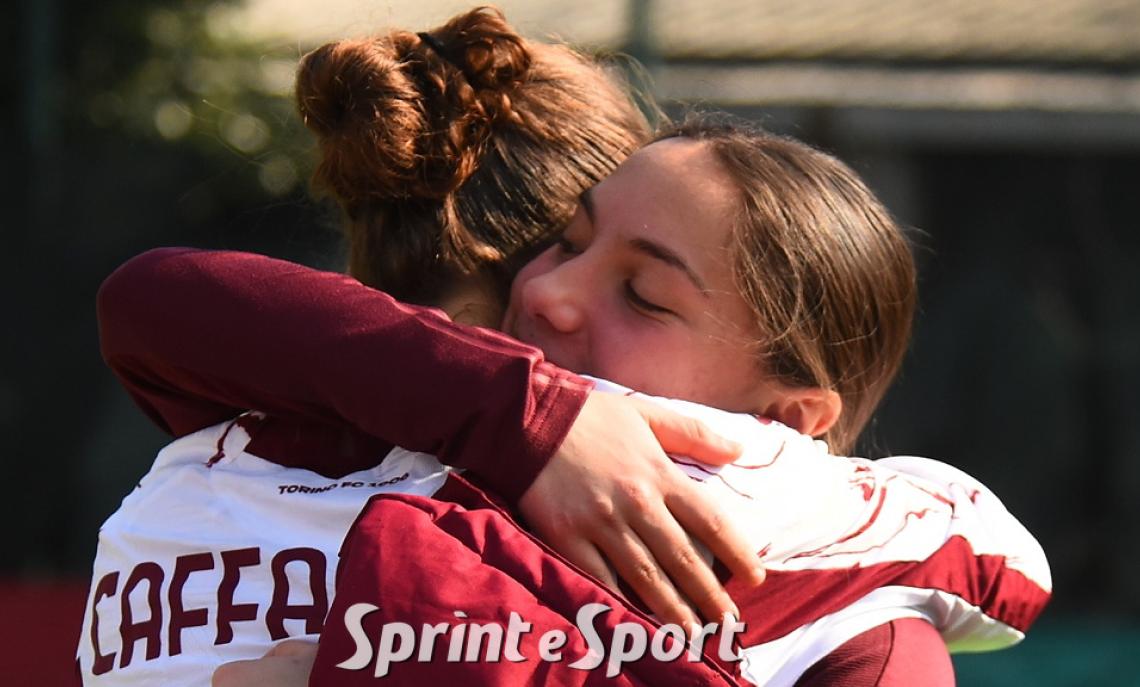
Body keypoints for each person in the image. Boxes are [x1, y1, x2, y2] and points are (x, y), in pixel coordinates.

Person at [81, 9, 1050, 686]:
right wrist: (538, 416)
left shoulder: (835, 582)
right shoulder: (309, 431)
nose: (548, 294)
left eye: (643, 293)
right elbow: (154, 301)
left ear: (789, 419)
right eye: (569, 243)